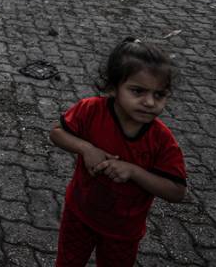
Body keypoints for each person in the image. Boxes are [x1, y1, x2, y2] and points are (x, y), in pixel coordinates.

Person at [49, 38, 188, 266]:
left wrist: (134, 172)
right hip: (79, 214)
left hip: (123, 232)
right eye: (138, 91)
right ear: (113, 87)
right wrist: (86, 148)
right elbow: (56, 133)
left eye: (159, 95)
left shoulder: (161, 140)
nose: (150, 102)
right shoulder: (90, 110)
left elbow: (176, 191)